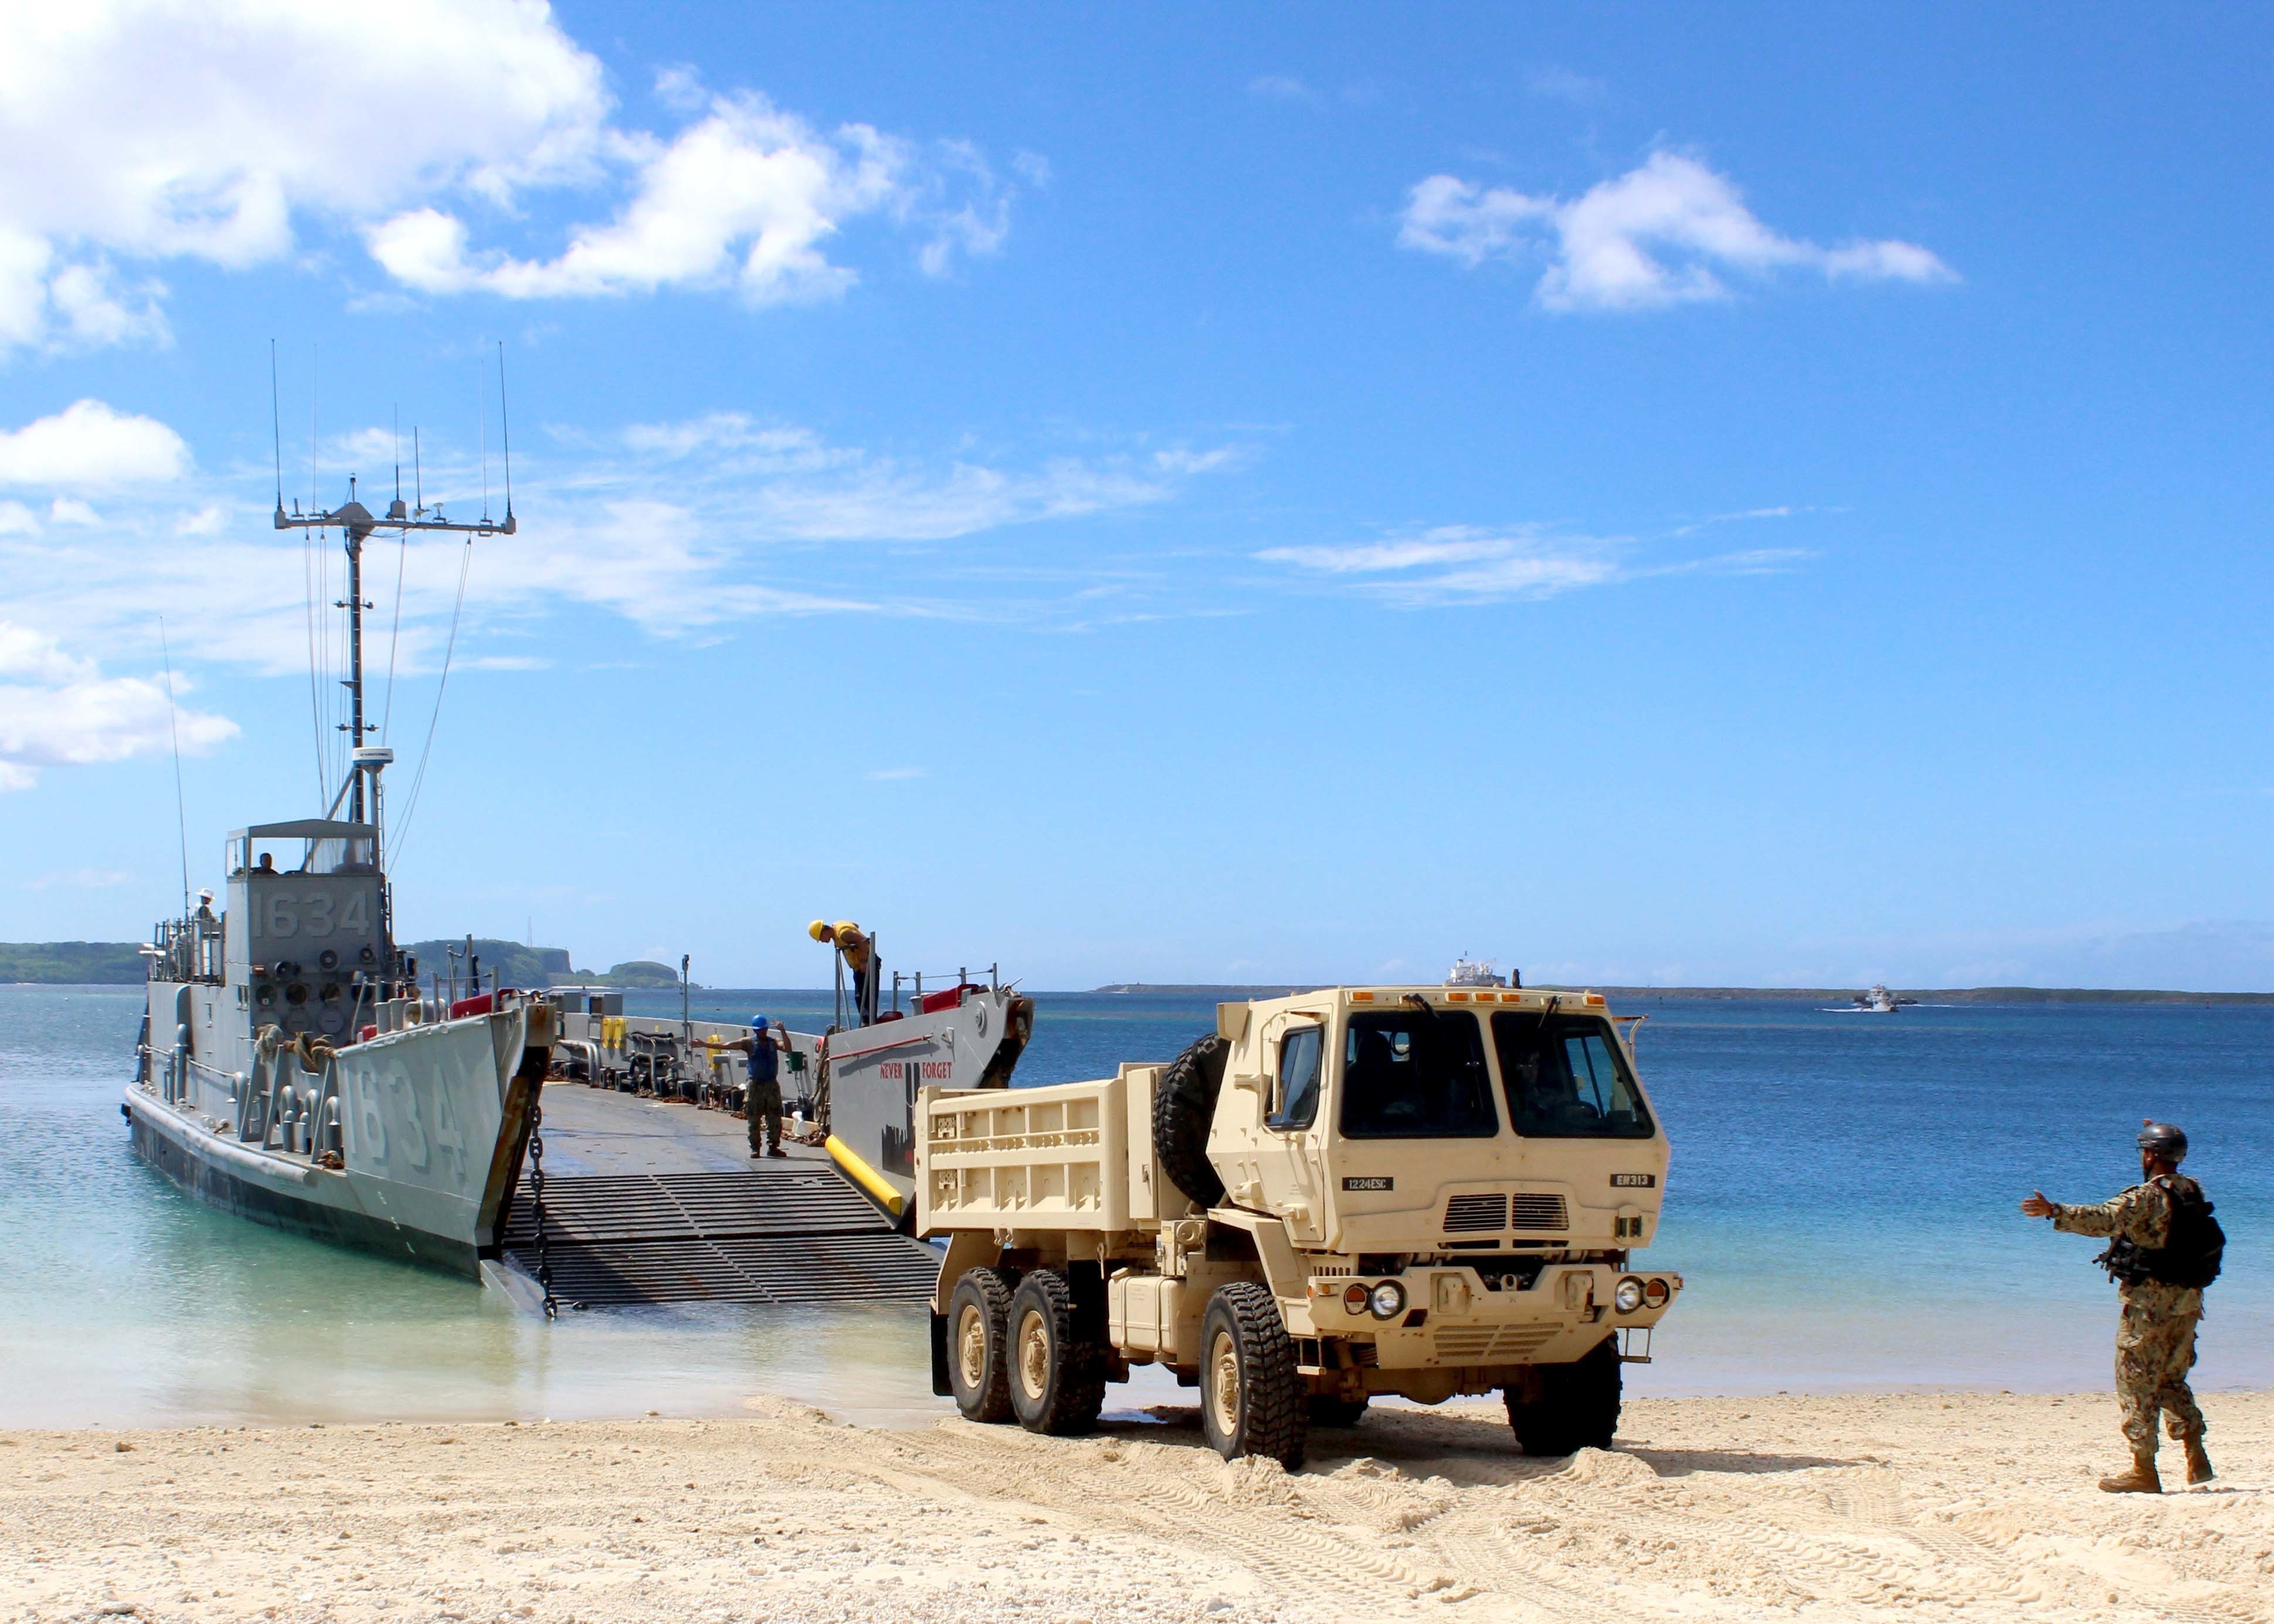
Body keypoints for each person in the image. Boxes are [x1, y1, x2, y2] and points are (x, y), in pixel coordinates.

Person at [2021, 1120, 2218, 1493]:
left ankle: (2144, 1470)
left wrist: (2055, 1211)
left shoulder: (2147, 1197)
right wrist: (2158, 1128)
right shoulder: (2191, 1190)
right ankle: (2196, 1454)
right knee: (2171, 1380)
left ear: (2149, 1156)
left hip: (2149, 1308)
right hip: (2188, 1304)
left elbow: (2106, 1219)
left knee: (2136, 1383)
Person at [706, 1017, 791, 1157]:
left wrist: (783, 1031)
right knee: (754, 1117)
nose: (762, 1032)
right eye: (759, 1030)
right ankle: (755, 1148)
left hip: (771, 1084)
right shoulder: (749, 1043)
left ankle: (773, 1147)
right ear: (755, 1031)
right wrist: (705, 1045)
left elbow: (788, 1048)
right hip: (755, 1084)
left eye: (764, 1030)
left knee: (774, 1117)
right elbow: (727, 1045)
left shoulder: (773, 1042)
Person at [809, 919, 877, 1025]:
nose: (822, 941)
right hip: (859, 967)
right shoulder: (838, 928)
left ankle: (870, 1024)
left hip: (867, 965)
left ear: (824, 931)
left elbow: (864, 941)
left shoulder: (842, 933)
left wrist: (864, 961)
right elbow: (855, 925)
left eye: (821, 938)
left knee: (867, 997)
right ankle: (867, 1023)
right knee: (860, 997)